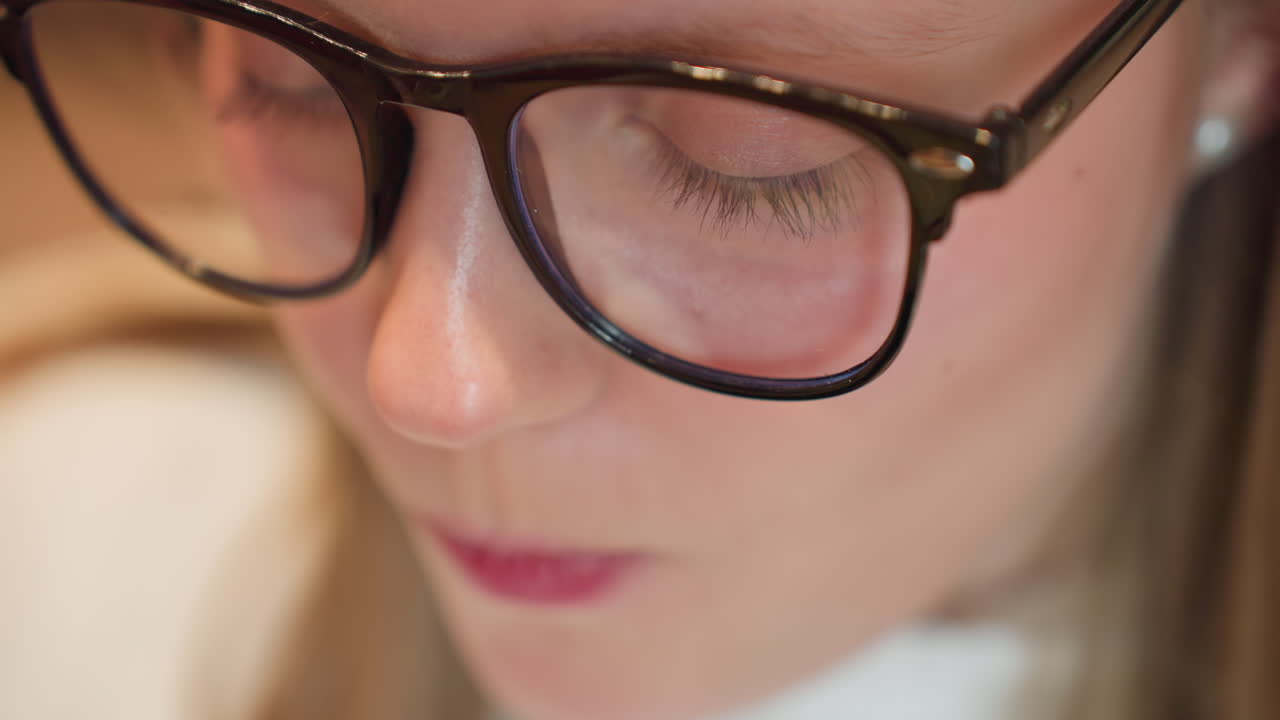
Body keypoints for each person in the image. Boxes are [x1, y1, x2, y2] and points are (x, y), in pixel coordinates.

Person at [2, 0, 1278, 718]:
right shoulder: (87, 572)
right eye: (287, 81)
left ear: (1235, 36)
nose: (434, 384)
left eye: (741, 157)